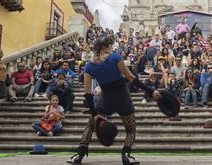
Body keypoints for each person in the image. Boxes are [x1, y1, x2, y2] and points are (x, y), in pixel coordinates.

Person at [68, 36, 162, 164]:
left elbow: (87, 93)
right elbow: (131, 77)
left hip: (106, 99)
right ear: (106, 47)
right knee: (131, 130)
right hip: (123, 97)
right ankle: (126, 155)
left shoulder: (89, 67)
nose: (112, 48)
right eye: (111, 46)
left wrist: (94, 114)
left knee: (90, 126)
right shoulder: (115, 57)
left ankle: (79, 155)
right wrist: (151, 91)